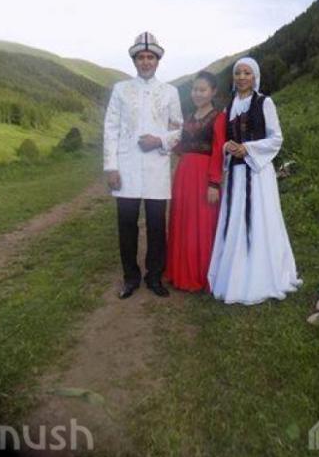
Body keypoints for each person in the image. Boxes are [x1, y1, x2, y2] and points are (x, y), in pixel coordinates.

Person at [207, 57, 303, 305]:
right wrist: (229, 147)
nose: (241, 77)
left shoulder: (264, 103)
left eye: (247, 73)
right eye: (238, 73)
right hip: (236, 175)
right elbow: (224, 141)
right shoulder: (229, 107)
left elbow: (276, 138)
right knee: (236, 220)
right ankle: (236, 277)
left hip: (258, 175)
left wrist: (248, 149)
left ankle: (263, 276)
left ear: (255, 77)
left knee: (260, 218)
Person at [103, 32, 183, 298]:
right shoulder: (121, 90)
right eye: (141, 57)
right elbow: (111, 129)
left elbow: (178, 129)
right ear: (134, 60)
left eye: (150, 57)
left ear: (158, 61)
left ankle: (154, 276)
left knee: (157, 226)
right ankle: (130, 277)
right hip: (126, 167)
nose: (146, 62)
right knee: (126, 225)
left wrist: (159, 140)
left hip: (157, 167)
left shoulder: (170, 92)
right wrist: (111, 167)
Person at [165, 71, 226, 291]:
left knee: (201, 224)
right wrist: (169, 137)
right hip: (184, 174)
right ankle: (180, 272)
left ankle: (201, 274)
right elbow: (182, 148)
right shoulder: (189, 117)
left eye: (203, 90)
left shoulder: (219, 118)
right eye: (194, 89)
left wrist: (214, 183)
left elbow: (218, 151)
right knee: (183, 221)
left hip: (203, 176)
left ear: (213, 92)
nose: (197, 94)